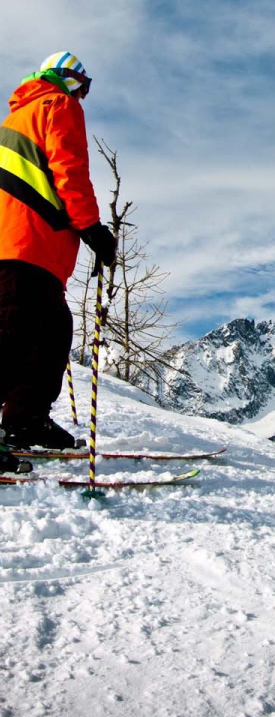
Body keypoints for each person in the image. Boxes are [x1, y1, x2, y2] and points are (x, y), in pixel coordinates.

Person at [0, 52, 116, 472]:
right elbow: (69, 167)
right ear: (69, 80)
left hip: (20, 246)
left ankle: (24, 422)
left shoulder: (12, 122)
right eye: (84, 87)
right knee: (16, 337)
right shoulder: (57, 106)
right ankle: (22, 422)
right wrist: (92, 227)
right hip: (30, 244)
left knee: (47, 332)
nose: (84, 97)